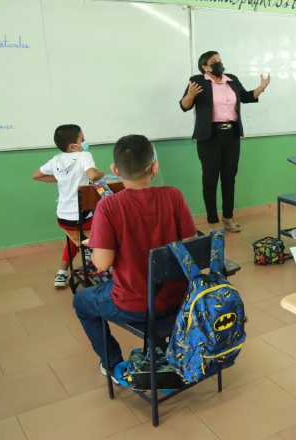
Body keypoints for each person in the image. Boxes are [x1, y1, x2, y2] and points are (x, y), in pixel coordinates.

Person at [73, 134, 197, 384]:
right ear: (154, 167)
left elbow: (102, 264)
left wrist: (97, 243)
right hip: (179, 298)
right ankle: (163, 350)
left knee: (82, 301)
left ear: (115, 170)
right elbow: (190, 243)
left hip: (135, 304)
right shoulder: (174, 195)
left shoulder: (109, 207)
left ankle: (113, 364)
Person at [179, 51, 270, 233]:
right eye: (215, 61)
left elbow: (246, 96)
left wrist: (261, 87)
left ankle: (228, 218)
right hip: (209, 137)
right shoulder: (197, 80)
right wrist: (189, 95)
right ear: (205, 66)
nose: (220, 63)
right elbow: (184, 105)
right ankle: (213, 220)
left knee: (229, 178)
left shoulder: (232, 79)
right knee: (210, 179)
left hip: (232, 136)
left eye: (220, 60)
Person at [33, 124, 104, 288]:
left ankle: (62, 272)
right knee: (106, 220)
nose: (85, 142)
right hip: (84, 220)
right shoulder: (84, 155)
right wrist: (100, 173)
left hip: (63, 219)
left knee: (76, 235)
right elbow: (93, 175)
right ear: (74, 146)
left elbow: (36, 175)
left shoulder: (56, 160)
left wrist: (61, 179)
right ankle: (93, 256)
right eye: (82, 139)